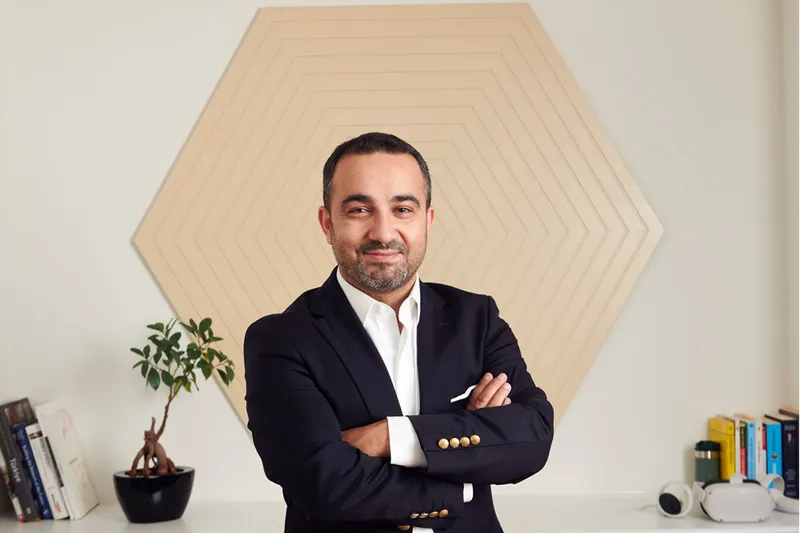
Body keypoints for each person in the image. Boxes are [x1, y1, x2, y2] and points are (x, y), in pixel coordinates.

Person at [243, 132, 554, 533]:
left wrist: (390, 437)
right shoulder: (280, 339)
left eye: (403, 209)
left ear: (427, 220)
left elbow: (533, 437)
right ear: (327, 223)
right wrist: (462, 474)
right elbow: (322, 483)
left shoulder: (477, 319)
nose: (382, 232)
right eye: (359, 209)